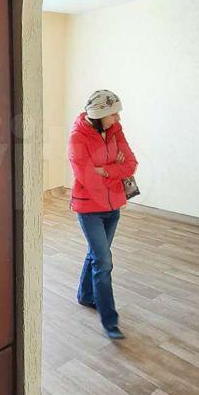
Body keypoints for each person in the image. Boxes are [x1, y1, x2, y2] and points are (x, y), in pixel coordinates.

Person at [67, 90, 138, 340]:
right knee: (103, 261)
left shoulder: (115, 131)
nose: (118, 118)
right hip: (89, 209)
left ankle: (86, 295)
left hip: (113, 208)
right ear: (98, 115)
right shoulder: (77, 138)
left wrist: (105, 170)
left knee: (96, 255)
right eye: (113, 114)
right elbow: (86, 178)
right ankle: (110, 321)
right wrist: (114, 169)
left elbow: (131, 163)